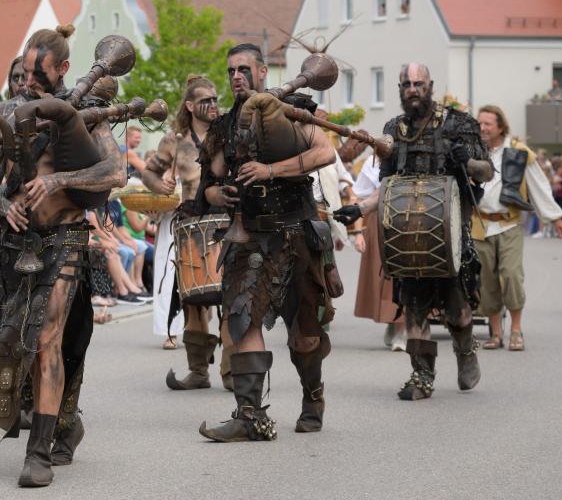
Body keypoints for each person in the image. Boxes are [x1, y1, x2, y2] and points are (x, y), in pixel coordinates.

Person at [0, 25, 126, 487]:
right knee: (16, 337)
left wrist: (57, 181)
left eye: (39, 73)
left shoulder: (88, 115)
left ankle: (36, 454)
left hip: (65, 238)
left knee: (49, 339)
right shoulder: (7, 112)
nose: (28, 81)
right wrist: (2, 203)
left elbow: (114, 173)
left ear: (62, 69)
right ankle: (63, 421)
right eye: (25, 71)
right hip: (16, 243)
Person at [196, 44, 336, 442]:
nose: (236, 76)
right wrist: (219, 195)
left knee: (305, 335)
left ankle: (313, 397)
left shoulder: (294, 109)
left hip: (296, 234)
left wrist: (271, 169)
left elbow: (325, 152)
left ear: (262, 72)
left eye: (244, 69)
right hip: (249, 236)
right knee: (242, 321)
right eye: (230, 71)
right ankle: (250, 416)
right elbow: (208, 183)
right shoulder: (225, 127)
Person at [338, 63, 491, 401]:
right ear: (400, 88)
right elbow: (388, 186)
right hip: (407, 237)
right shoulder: (395, 128)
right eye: (406, 83)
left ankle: (466, 352)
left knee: (458, 309)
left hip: (447, 235)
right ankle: (421, 375)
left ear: (430, 85)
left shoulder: (459, 124)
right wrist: (359, 210)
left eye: (418, 83)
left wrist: (467, 161)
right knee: (414, 307)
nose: (412, 89)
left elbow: (486, 172)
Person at [141, 75, 229, 387]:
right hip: (191, 226)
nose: (213, 104)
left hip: (226, 225)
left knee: (232, 300)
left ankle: (232, 373)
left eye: (216, 98)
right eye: (206, 99)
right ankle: (198, 371)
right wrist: (159, 184)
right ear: (190, 106)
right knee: (193, 301)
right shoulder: (174, 141)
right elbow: (149, 173)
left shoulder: (228, 136)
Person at [473, 105, 562, 351]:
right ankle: (496, 333)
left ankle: (515, 330)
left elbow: (538, 184)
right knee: (486, 280)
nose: (482, 128)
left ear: (500, 126)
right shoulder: (473, 152)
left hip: (508, 223)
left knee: (511, 276)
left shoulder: (518, 152)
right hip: (479, 225)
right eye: (479, 123)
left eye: (487, 124)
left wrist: (554, 217)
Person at [342, 154, 405, 351]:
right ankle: (392, 321)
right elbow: (359, 197)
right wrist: (359, 233)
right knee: (385, 278)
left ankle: (401, 329)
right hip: (379, 222)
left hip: (409, 218)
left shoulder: (416, 157)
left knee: (405, 275)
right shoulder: (373, 161)